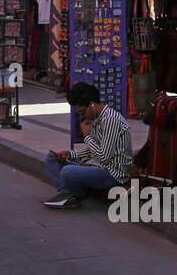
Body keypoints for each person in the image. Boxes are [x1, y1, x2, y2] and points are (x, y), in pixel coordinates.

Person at [42, 81, 133, 209]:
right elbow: (93, 150)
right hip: (94, 165)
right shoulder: (97, 117)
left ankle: (74, 194)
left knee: (67, 171)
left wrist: (87, 136)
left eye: (82, 112)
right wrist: (69, 154)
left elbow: (104, 157)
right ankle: (68, 194)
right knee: (51, 159)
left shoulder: (111, 120)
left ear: (91, 105)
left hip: (111, 173)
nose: (81, 116)